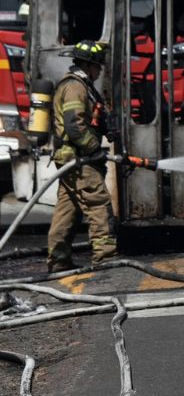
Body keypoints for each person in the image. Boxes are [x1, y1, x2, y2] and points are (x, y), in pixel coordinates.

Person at [46, 40, 117, 272]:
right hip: (78, 158)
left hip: (71, 158)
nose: (99, 71)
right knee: (98, 204)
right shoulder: (75, 87)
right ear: (89, 65)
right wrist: (93, 149)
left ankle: (58, 260)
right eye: (98, 67)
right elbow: (75, 125)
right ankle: (105, 259)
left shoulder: (82, 85)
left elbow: (90, 118)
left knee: (67, 211)